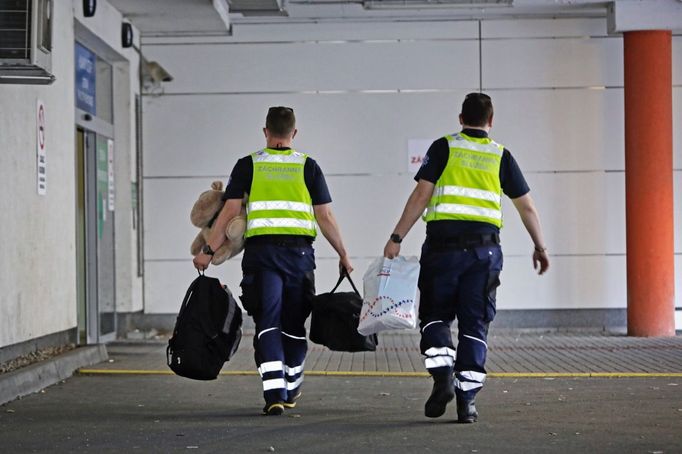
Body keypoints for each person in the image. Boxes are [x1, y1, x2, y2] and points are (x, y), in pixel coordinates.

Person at [383, 92, 549, 423]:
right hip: (483, 253)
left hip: (443, 249)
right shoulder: (500, 156)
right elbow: (526, 205)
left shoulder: (443, 147)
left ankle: (442, 374)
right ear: (491, 120)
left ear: (460, 119)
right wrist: (540, 247)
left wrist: (396, 237)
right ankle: (467, 401)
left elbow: (420, 196)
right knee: (475, 322)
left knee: (434, 315)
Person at [194, 106, 353, 416]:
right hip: (299, 257)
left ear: (265, 132)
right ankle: (291, 386)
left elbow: (228, 213)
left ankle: (274, 393)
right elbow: (325, 216)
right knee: (293, 324)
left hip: (262, 256)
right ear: (293, 134)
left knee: (268, 321)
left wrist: (208, 251)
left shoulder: (248, 165)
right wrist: (343, 254)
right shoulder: (309, 166)